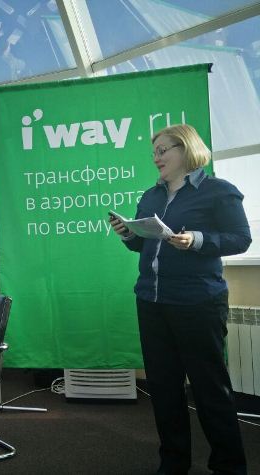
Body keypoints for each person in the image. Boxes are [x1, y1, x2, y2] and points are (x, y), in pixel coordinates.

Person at [109, 124, 250, 475]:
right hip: (151, 302)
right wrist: (128, 235)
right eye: (154, 152)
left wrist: (197, 239)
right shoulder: (150, 196)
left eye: (163, 150)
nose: (156, 158)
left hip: (197, 303)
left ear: (185, 149)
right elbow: (144, 245)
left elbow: (240, 238)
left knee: (209, 389)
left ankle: (229, 466)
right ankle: (173, 463)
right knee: (163, 388)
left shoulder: (219, 191)